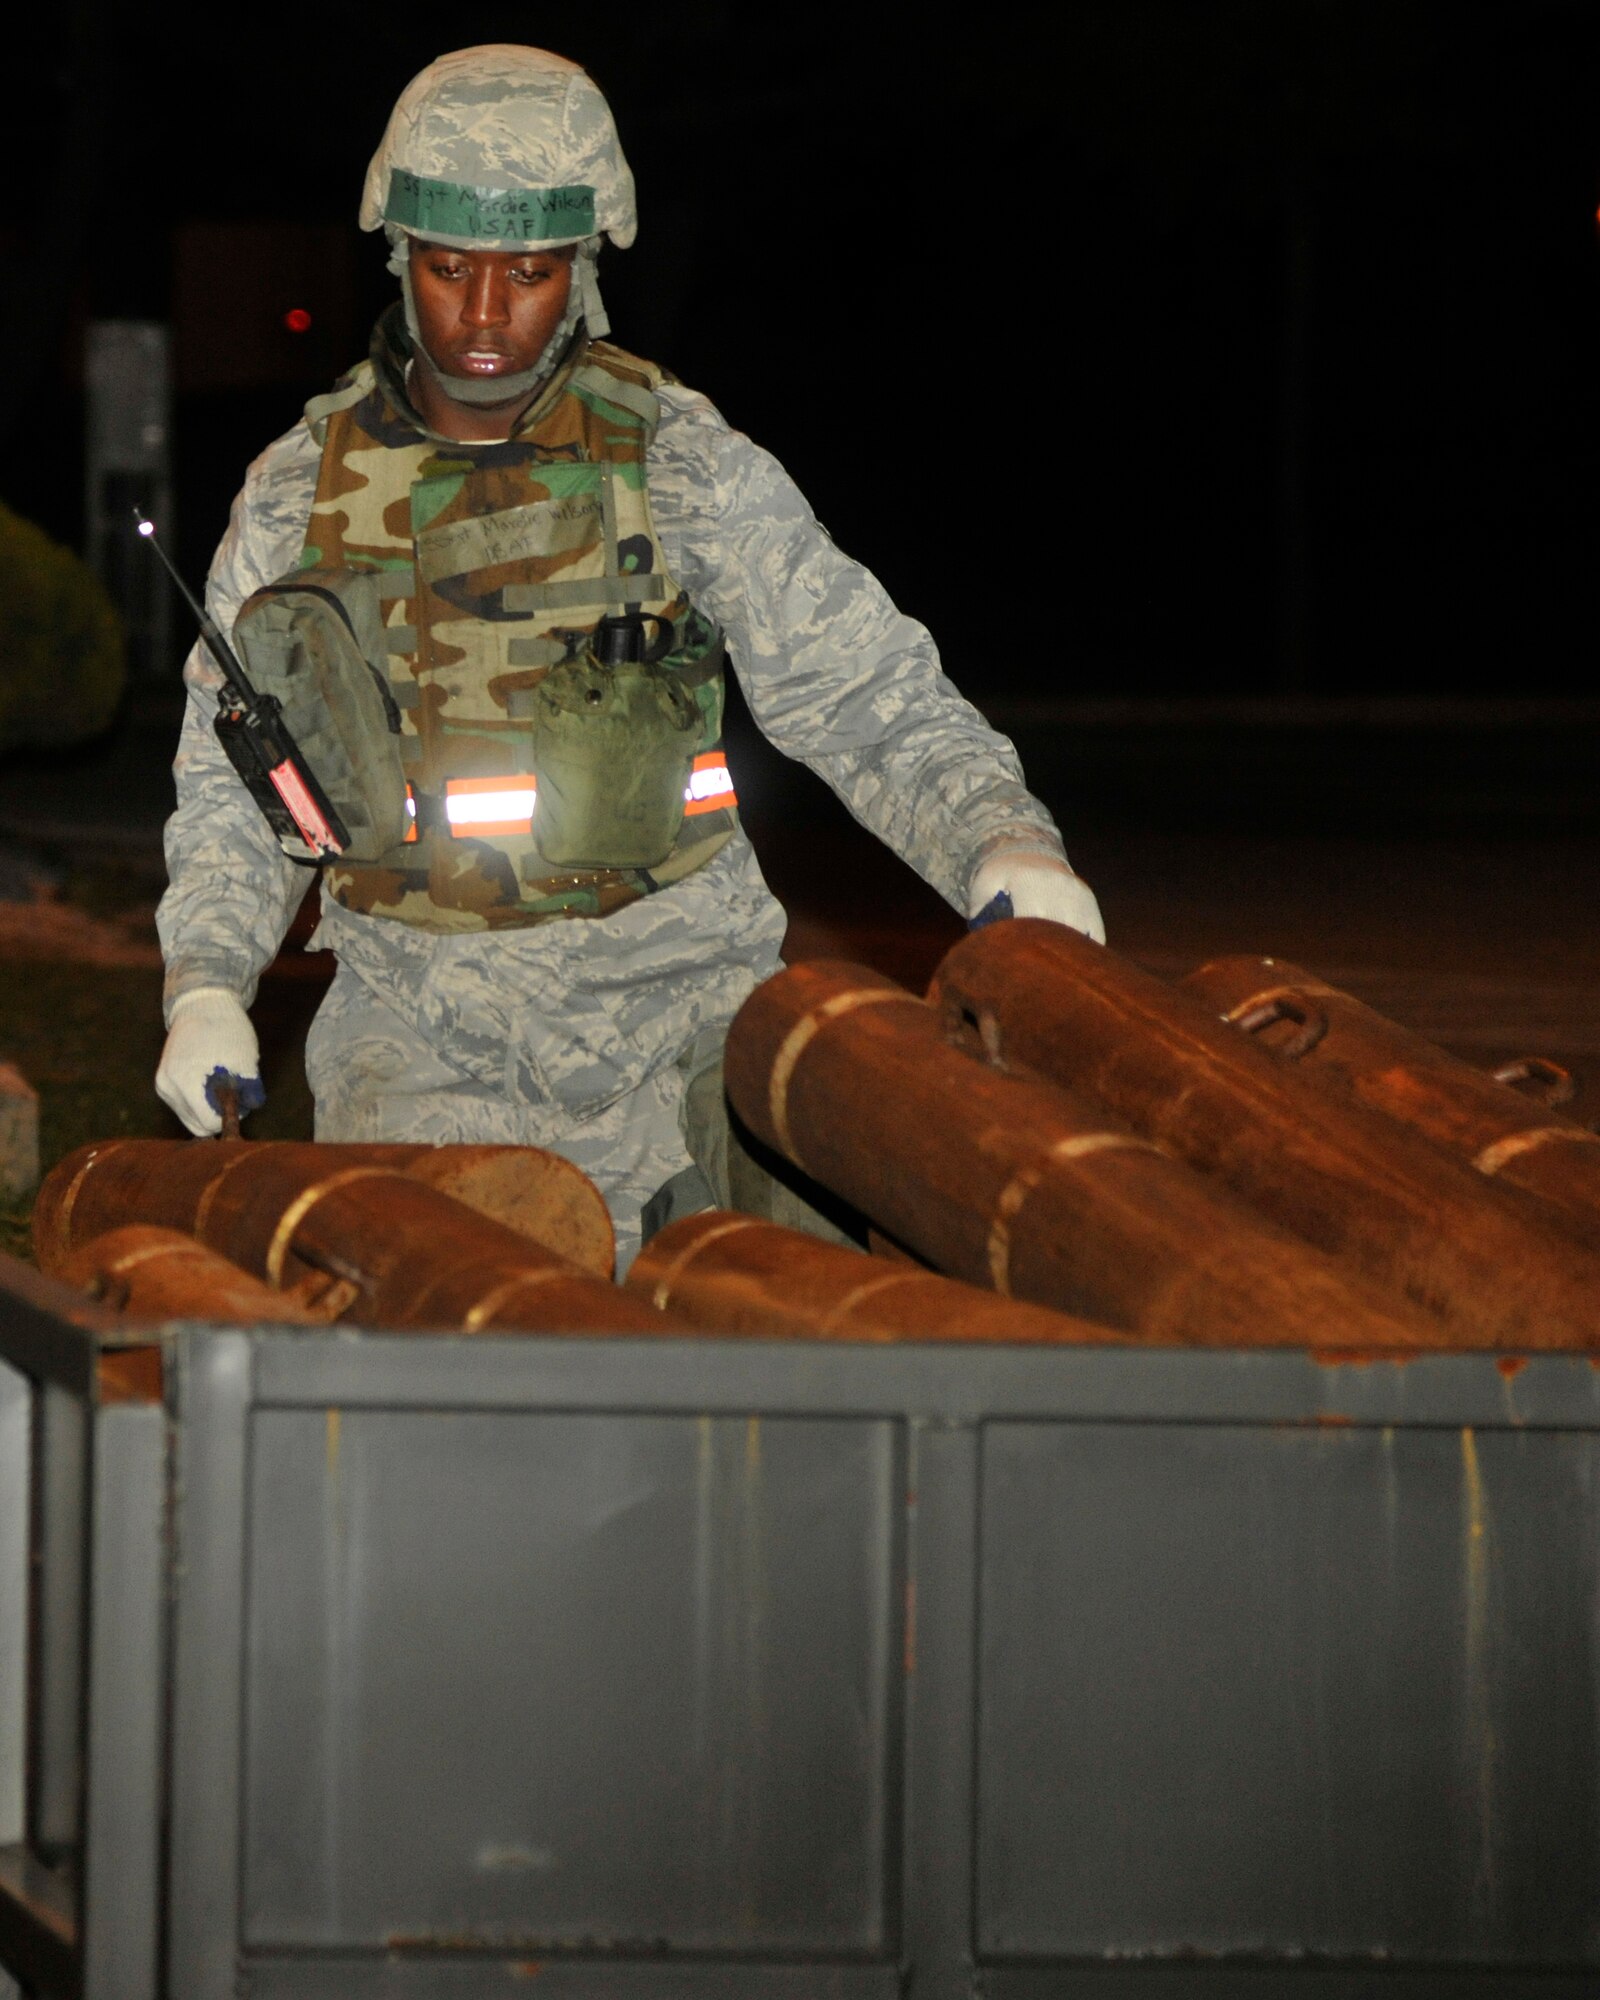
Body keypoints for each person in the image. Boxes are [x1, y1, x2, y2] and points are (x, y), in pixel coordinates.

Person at [154, 44, 1105, 1268]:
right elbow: (236, 788)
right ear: (398, 258)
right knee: (448, 1370)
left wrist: (1001, 840)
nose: (485, 315)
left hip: (684, 1018)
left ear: (586, 269)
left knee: (801, 1326)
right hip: (423, 1031)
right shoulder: (297, 494)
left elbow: (866, 692)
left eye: (530, 274)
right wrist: (207, 980)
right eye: (448, 270)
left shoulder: (678, 459)